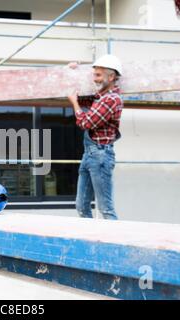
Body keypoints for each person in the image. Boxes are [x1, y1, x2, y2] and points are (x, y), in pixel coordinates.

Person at [67, 55, 123, 220]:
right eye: (94, 75)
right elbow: (82, 97)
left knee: (106, 209)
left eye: (98, 75)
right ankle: (91, 241)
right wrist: (73, 72)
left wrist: (74, 104)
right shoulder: (100, 97)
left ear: (111, 77)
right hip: (90, 154)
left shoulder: (111, 99)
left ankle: (114, 244)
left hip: (100, 156)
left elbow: (85, 123)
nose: (95, 79)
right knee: (82, 206)